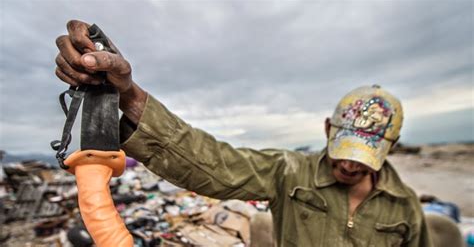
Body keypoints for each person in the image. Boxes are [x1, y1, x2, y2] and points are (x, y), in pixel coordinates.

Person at [54, 20, 432, 246]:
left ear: (390, 148)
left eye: (363, 154)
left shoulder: (404, 208)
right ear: (329, 129)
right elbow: (209, 162)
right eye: (344, 147)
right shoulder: (290, 172)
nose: (350, 164)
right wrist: (129, 95)